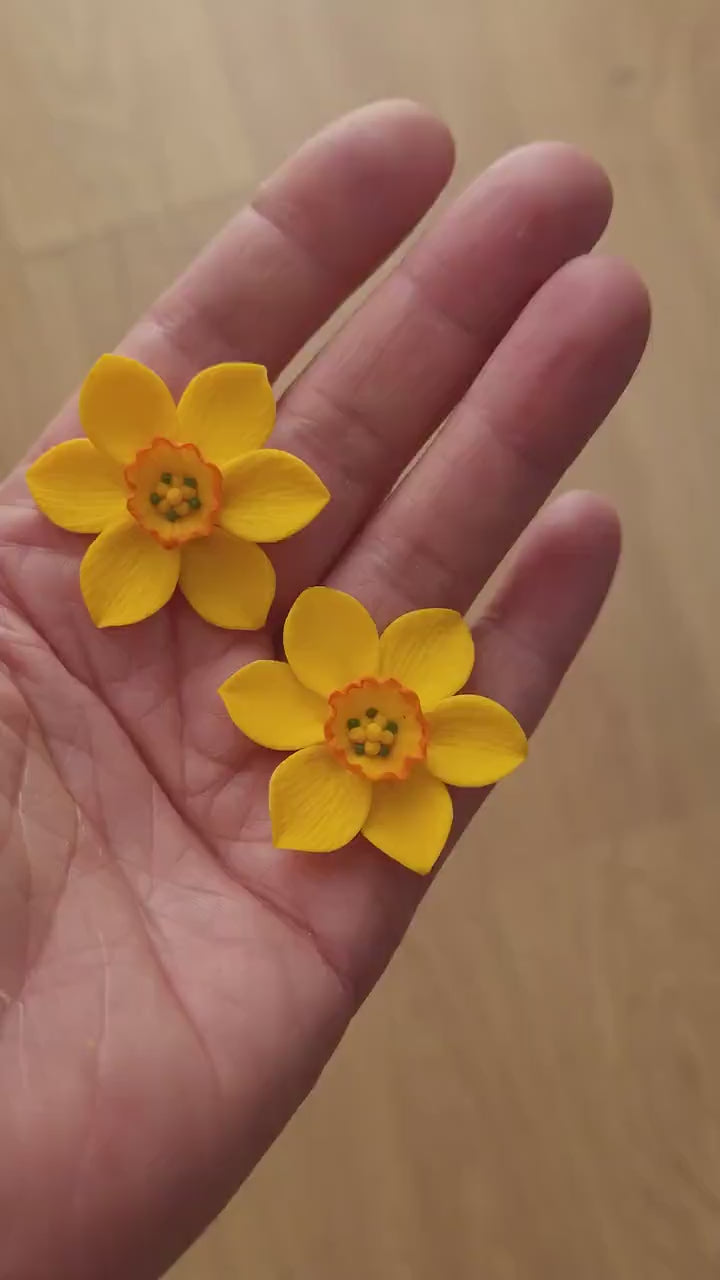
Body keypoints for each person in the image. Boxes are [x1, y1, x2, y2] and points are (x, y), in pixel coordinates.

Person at [0, 100, 650, 1280]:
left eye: (365, 726)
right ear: (151, 487)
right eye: (174, 499)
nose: (182, 505)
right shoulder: (148, 559)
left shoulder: (296, 622)